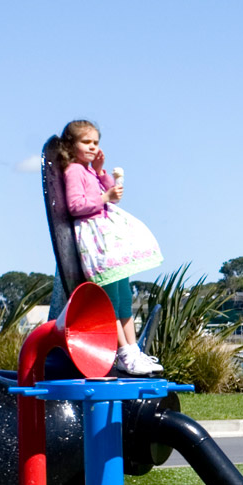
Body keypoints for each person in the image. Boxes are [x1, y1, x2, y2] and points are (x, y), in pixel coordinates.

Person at [57, 119, 165, 375]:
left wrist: (100, 171)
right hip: (97, 246)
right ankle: (123, 352)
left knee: (123, 298)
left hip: (110, 246)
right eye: (87, 142)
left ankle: (133, 350)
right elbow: (75, 205)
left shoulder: (88, 171)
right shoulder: (73, 170)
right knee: (111, 302)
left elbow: (106, 192)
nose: (93, 147)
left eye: (96, 142)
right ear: (71, 145)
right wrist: (105, 197)